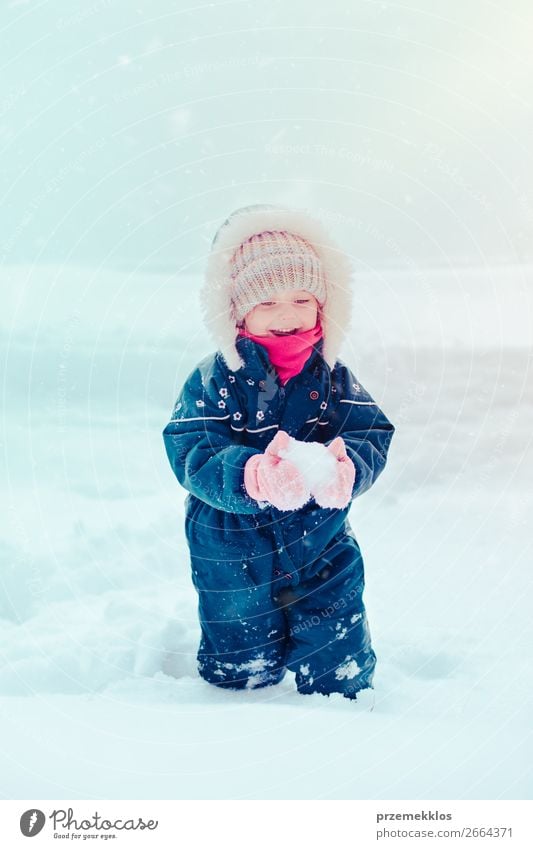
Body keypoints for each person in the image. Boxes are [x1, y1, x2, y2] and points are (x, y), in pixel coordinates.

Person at [163, 203, 395, 699]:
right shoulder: (213, 379)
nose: (287, 314)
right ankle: (236, 700)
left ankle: (342, 703)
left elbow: (371, 431)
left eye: (301, 298)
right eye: (266, 303)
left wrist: (346, 467)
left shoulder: (332, 378)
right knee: (240, 656)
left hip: (320, 536)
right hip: (230, 542)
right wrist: (248, 474)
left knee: (339, 659)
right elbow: (190, 447)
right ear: (236, 311)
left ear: (324, 304)